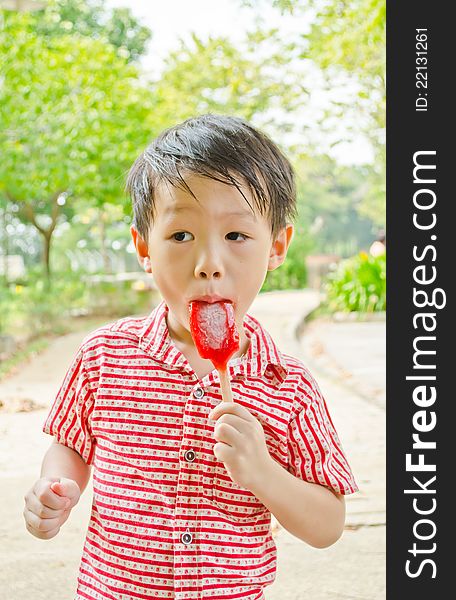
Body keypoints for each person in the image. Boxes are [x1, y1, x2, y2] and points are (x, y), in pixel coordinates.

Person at [23, 114, 358, 600]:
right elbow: (72, 444)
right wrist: (55, 486)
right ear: (144, 247)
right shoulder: (103, 356)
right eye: (181, 236)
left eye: (236, 236)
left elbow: (327, 523)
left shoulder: (288, 385)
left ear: (277, 247)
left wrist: (261, 473)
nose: (209, 264)